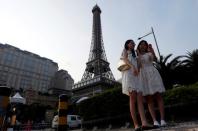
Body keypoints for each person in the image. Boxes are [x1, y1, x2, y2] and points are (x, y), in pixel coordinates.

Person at [121, 39, 152, 131]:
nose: (133, 44)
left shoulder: (135, 53)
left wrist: (137, 63)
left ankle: (144, 122)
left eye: (134, 43)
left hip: (136, 75)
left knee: (139, 98)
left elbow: (139, 64)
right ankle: (136, 124)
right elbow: (125, 59)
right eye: (131, 43)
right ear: (127, 44)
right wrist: (133, 67)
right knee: (133, 98)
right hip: (129, 75)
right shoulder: (125, 51)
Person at [137, 40, 167, 127]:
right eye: (141, 45)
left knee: (158, 96)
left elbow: (154, 59)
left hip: (152, 73)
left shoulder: (149, 53)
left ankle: (162, 119)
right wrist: (138, 55)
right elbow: (138, 67)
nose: (143, 46)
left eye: (144, 45)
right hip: (143, 76)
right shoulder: (137, 56)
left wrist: (152, 50)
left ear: (146, 46)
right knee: (149, 98)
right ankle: (154, 120)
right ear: (138, 46)